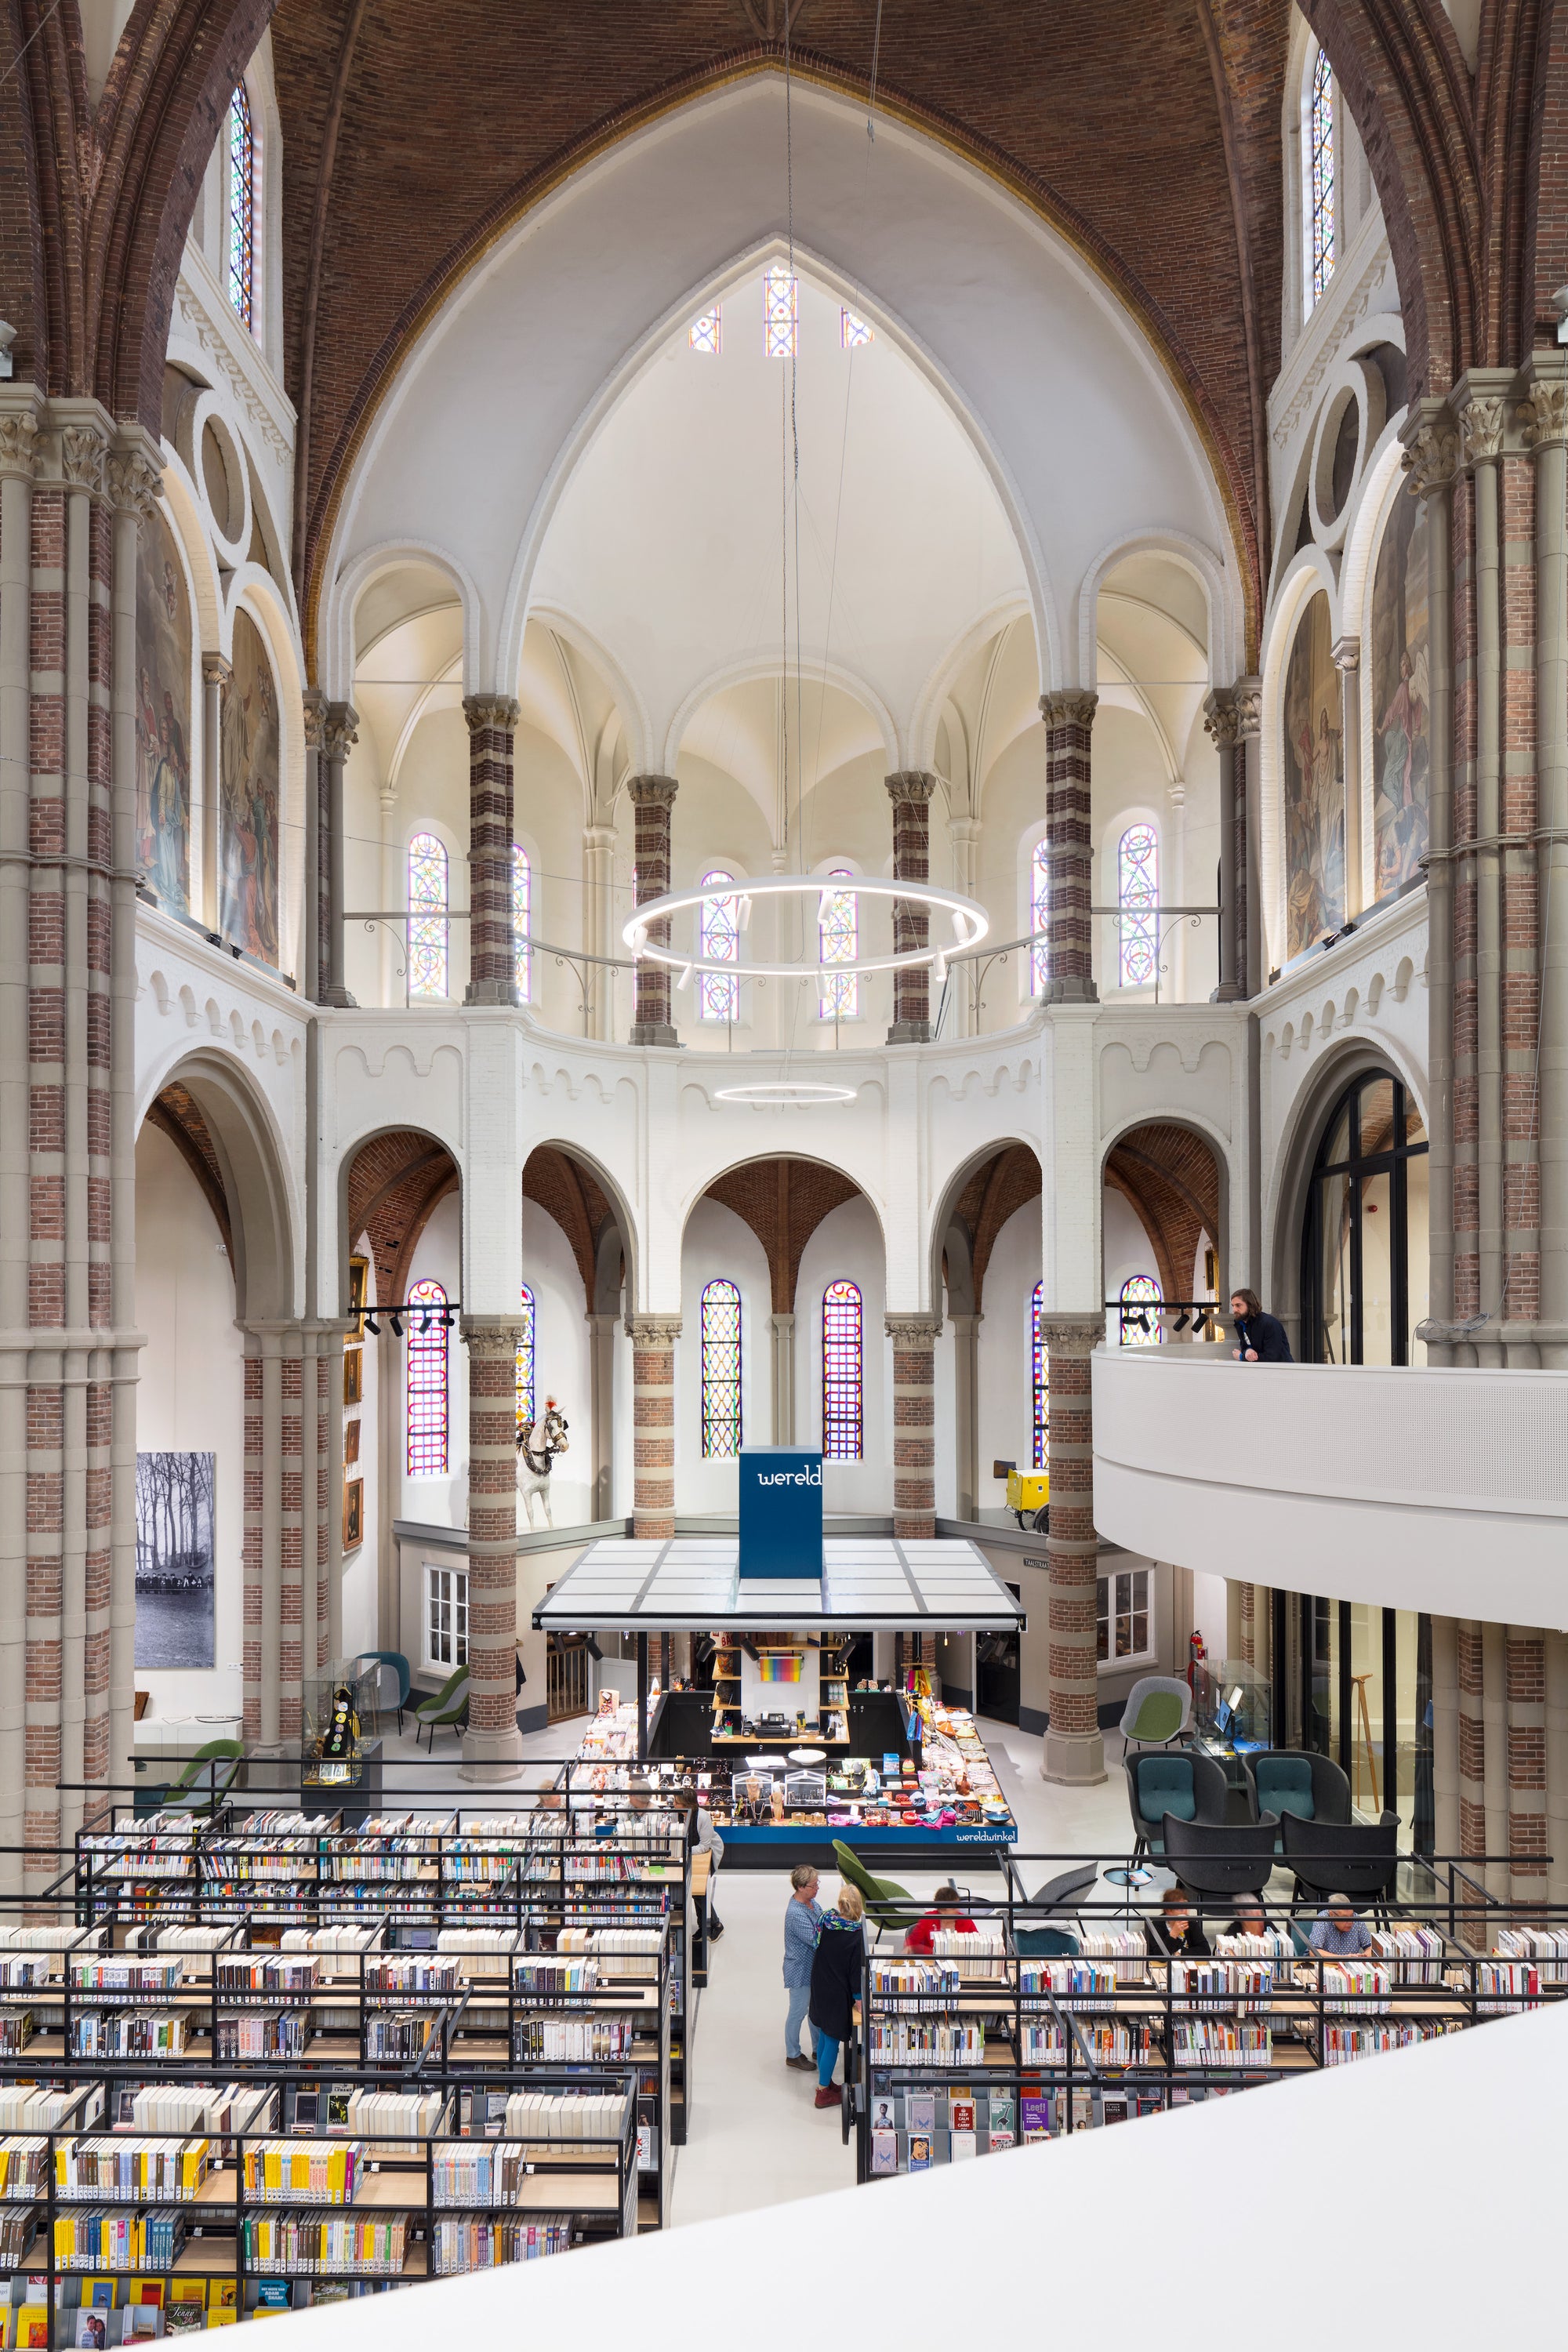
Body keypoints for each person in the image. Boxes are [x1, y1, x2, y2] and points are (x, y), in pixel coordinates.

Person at [809, 1881, 866, 2108]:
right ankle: (823, 2093)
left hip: (820, 1983)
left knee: (824, 2032)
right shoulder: (856, 1934)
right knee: (832, 2038)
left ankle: (825, 2081)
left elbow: (816, 1944)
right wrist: (859, 1999)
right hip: (837, 1991)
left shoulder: (826, 1918)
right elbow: (854, 1973)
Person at [782, 1863, 823, 2070]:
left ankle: (818, 2048)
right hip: (800, 1970)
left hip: (814, 1968)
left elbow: (823, 1921)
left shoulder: (812, 1903)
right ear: (800, 1887)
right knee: (798, 2012)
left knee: (815, 2010)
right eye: (813, 1886)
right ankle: (793, 2054)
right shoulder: (796, 1913)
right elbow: (816, 1939)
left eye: (817, 1884)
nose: (817, 1889)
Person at [904, 1882, 977, 1955]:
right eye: (953, 1908)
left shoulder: (966, 1920)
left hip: (959, 1963)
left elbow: (976, 1944)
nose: (958, 1910)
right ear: (942, 1910)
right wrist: (909, 1948)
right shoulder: (928, 1919)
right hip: (932, 1963)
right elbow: (911, 1943)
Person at [1144, 1886, 1211, 1960]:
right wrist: (1174, 1934)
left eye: (1186, 1907)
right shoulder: (1157, 1926)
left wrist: (1180, 1953)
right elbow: (1160, 1956)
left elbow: (1206, 1951)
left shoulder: (1191, 1923)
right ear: (1169, 1911)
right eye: (1181, 1909)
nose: (1185, 1912)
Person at [1230, 1287, 1294, 1363]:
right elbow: (1245, 1346)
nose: (1234, 1310)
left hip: (1281, 1370)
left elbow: (1273, 1357)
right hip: (1258, 1370)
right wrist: (1247, 1351)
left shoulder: (1269, 1323)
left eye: (1238, 1305)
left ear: (1250, 1305)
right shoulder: (1240, 1323)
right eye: (1233, 1306)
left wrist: (1242, 1357)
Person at [693, 1794, 724, 1942]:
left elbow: (705, 1846)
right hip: (692, 1856)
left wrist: (684, 1850)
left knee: (699, 1892)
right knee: (695, 1893)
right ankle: (703, 1926)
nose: (675, 1805)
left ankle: (716, 1924)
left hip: (706, 1856)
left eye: (677, 1802)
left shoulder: (703, 1817)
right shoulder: (678, 1815)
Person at [1308, 1892, 1374, 1956]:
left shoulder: (1357, 1920)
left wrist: (1366, 1955)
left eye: (1351, 1916)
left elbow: (1371, 1947)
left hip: (1350, 1965)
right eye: (1345, 1918)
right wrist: (1344, 1959)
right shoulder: (1323, 1920)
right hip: (1327, 1964)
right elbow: (1314, 1952)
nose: (1350, 1922)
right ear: (1332, 1915)